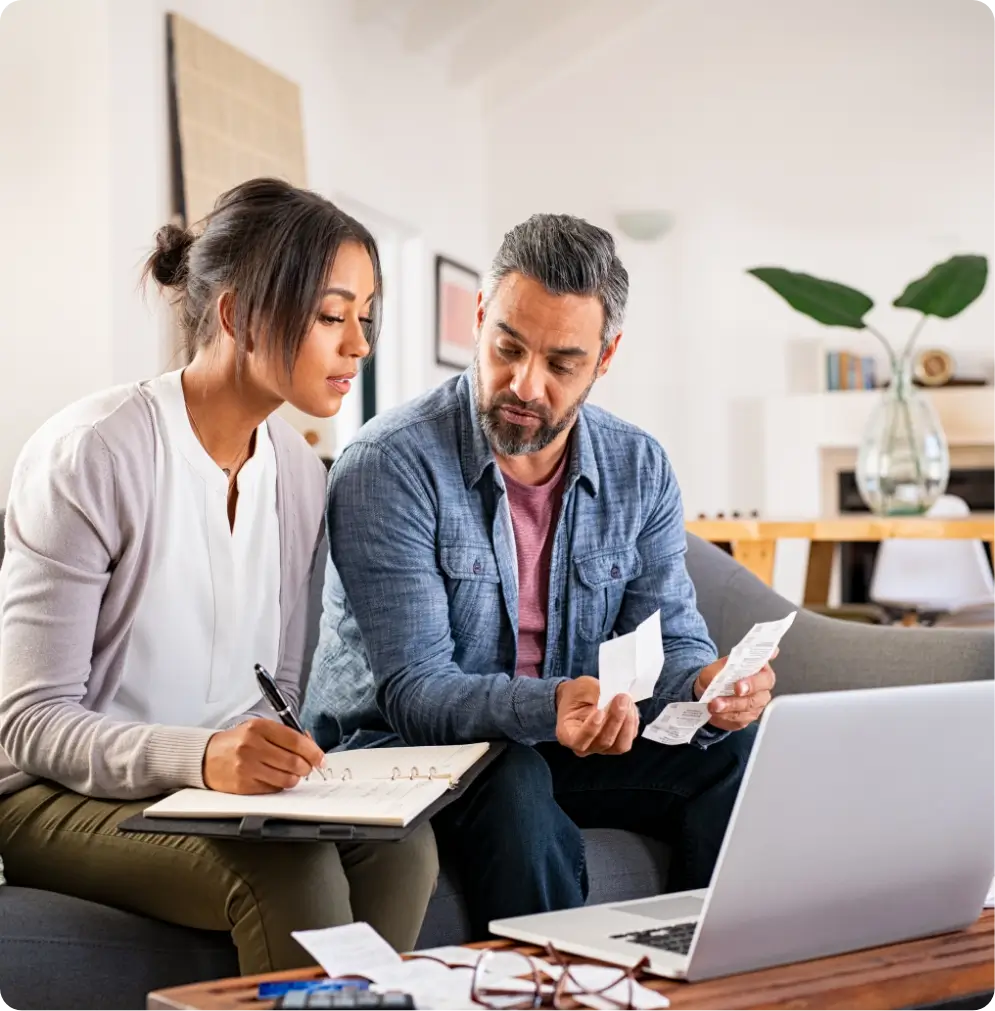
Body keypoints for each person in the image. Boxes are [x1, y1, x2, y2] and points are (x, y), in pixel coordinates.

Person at [0, 179, 438, 973]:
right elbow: (29, 723)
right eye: (332, 316)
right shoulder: (94, 454)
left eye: (364, 318)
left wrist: (285, 758)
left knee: (402, 847)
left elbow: (284, 688)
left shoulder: (304, 479)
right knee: (290, 868)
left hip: (214, 797)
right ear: (237, 315)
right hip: (52, 798)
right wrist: (201, 757)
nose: (358, 346)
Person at [303, 213, 776, 939]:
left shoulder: (638, 466)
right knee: (514, 778)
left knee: (734, 752)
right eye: (508, 348)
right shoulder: (390, 464)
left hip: (557, 738)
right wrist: (552, 703)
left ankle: (702, 979)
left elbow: (671, 635)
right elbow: (414, 693)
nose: (525, 384)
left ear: (604, 356)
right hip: (400, 752)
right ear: (480, 319)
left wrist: (705, 684)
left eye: (561, 363)